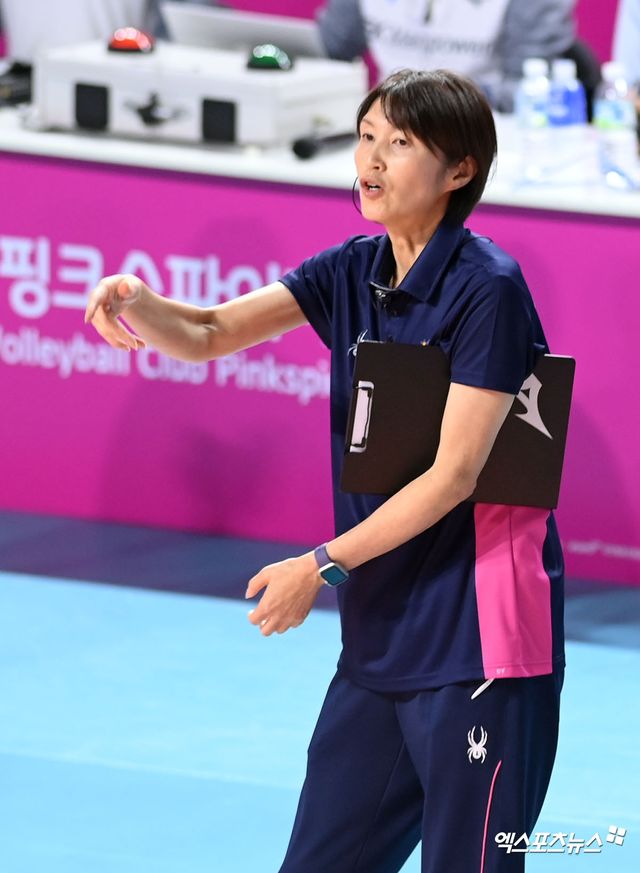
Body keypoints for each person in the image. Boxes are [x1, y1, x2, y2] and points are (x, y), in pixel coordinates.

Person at [85, 68, 565, 872]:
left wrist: (321, 565)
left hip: (478, 643)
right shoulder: (352, 269)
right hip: (381, 634)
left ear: (460, 169)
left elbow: (454, 475)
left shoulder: (489, 289)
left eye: (400, 143)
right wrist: (137, 300)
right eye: (367, 136)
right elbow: (207, 332)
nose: (371, 159)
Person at [317, 0, 576, 112]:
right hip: (385, 127)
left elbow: (529, 87)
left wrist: (442, 103)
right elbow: (327, 50)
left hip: (479, 134)